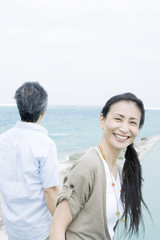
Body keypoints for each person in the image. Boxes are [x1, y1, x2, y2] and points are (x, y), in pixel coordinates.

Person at [49, 92, 148, 240]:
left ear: (138, 129)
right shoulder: (88, 165)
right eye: (118, 119)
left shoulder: (118, 170)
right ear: (102, 120)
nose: (124, 128)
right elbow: (57, 227)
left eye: (132, 122)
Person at [0, 82, 59, 240]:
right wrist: (61, 225)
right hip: (39, 230)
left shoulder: (2, 140)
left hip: (12, 228)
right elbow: (51, 191)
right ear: (43, 111)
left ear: (19, 107)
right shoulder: (46, 144)